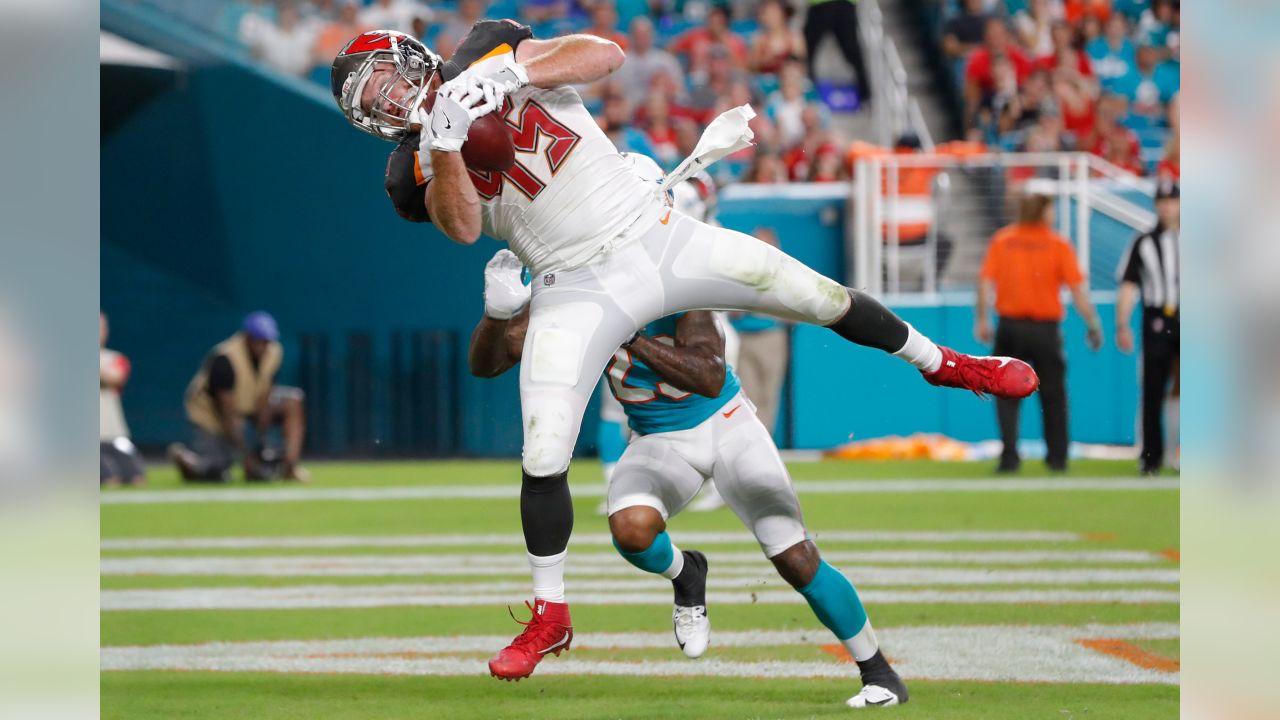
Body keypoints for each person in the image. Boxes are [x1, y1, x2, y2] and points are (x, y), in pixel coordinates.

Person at [330, 24, 1038, 682]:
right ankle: (550, 615)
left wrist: (511, 74)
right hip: (571, 280)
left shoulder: (489, 48)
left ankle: (945, 364)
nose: (392, 97)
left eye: (388, 78)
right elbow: (459, 227)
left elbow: (606, 54)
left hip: (650, 231)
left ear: (413, 55)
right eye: (374, 100)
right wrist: (448, 140)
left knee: (812, 293)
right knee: (543, 447)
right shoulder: (410, 167)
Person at [470, 248, 910, 708]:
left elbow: (709, 377)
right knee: (630, 530)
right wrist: (498, 315)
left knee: (793, 555)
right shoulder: (567, 299)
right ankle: (687, 575)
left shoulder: (672, 287)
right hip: (657, 438)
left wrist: (631, 337)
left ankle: (878, 672)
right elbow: (488, 363)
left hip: (726, 424)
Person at [976, 193, 1103, 472]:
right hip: (1045, 330)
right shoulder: (1056, 244)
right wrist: (1093, 324)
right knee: (1054, 394)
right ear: (1043, 211)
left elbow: (985, 281)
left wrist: (982, 319)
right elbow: (1077, 290)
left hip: (1010, 327)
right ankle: (1057, 457)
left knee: (1005, 393)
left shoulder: (1003, 240)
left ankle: (1009, 456)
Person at [168, 312, 309, 483]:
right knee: (217, 471)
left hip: (248, 405)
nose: (263, 346)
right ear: (248, 337)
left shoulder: (274, 352)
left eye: (266, 341)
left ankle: (289, 467)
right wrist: (246, 457)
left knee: (293, 400)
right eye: (259, 340)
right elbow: (227, 414)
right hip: (210, 415)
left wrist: (260, 443)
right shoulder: (225, 358)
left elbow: (266, 393)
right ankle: (188, 459)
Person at [1115, 179, 1179, 475]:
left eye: (1173, 201)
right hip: (1156, 320)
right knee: (1153, 389)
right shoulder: (1143, 242)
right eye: (1163, 201)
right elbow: (1129, 284)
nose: (1168, 207)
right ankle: (1151, 456)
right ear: (1156, 205)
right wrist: (1121, 324)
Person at [100, 313, 146, 487]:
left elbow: (116, 378)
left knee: (137, 477)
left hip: (116, 435)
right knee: (111, 480)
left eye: (102, 327)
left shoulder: (115, 358)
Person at [802, 0, 871, 102]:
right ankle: (807, 92)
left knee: (852, 51)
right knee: (805, 50)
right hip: (823, 5)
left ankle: (865, 95)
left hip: (840, 5)